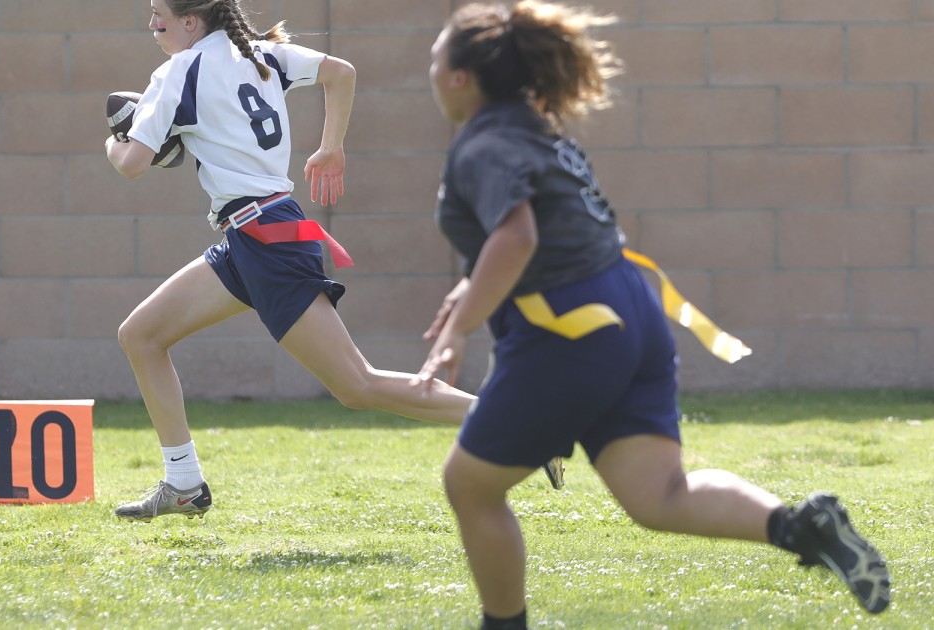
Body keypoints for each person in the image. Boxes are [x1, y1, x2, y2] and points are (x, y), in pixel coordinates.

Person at [414, 2, 892, 628]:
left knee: (470, 484)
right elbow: (551, 233)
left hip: (573, 331)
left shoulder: (483, 144)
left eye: (433, 58)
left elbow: (518, 238)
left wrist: (457, 331)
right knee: (659, 494)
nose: (428, 70)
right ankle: (803, 526)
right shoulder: (538, 129)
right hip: (631, 306)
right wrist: (471, 290)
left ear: (459, 77)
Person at [104, 0, 564, 523]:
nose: (152, 23)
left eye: (159, 13)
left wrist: (115, 142)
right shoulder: (260, 53)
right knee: (140, 335)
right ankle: (184, 483)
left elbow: (133, 165)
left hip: (264, 239)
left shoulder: (177, 71)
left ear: (192, 21)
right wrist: (331, 148)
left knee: (357, 385)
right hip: (256, 235)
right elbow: (340, 73)